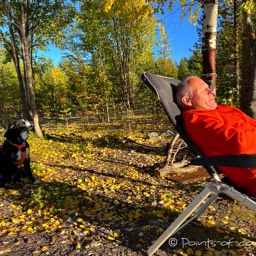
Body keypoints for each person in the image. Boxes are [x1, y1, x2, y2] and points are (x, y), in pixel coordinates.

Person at [175, 76, 256, 197]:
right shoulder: (197, 121)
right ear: (187, 101)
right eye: (204, 90)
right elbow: (240, 143)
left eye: (209, 88)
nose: (211, 91)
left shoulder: (223, 109)